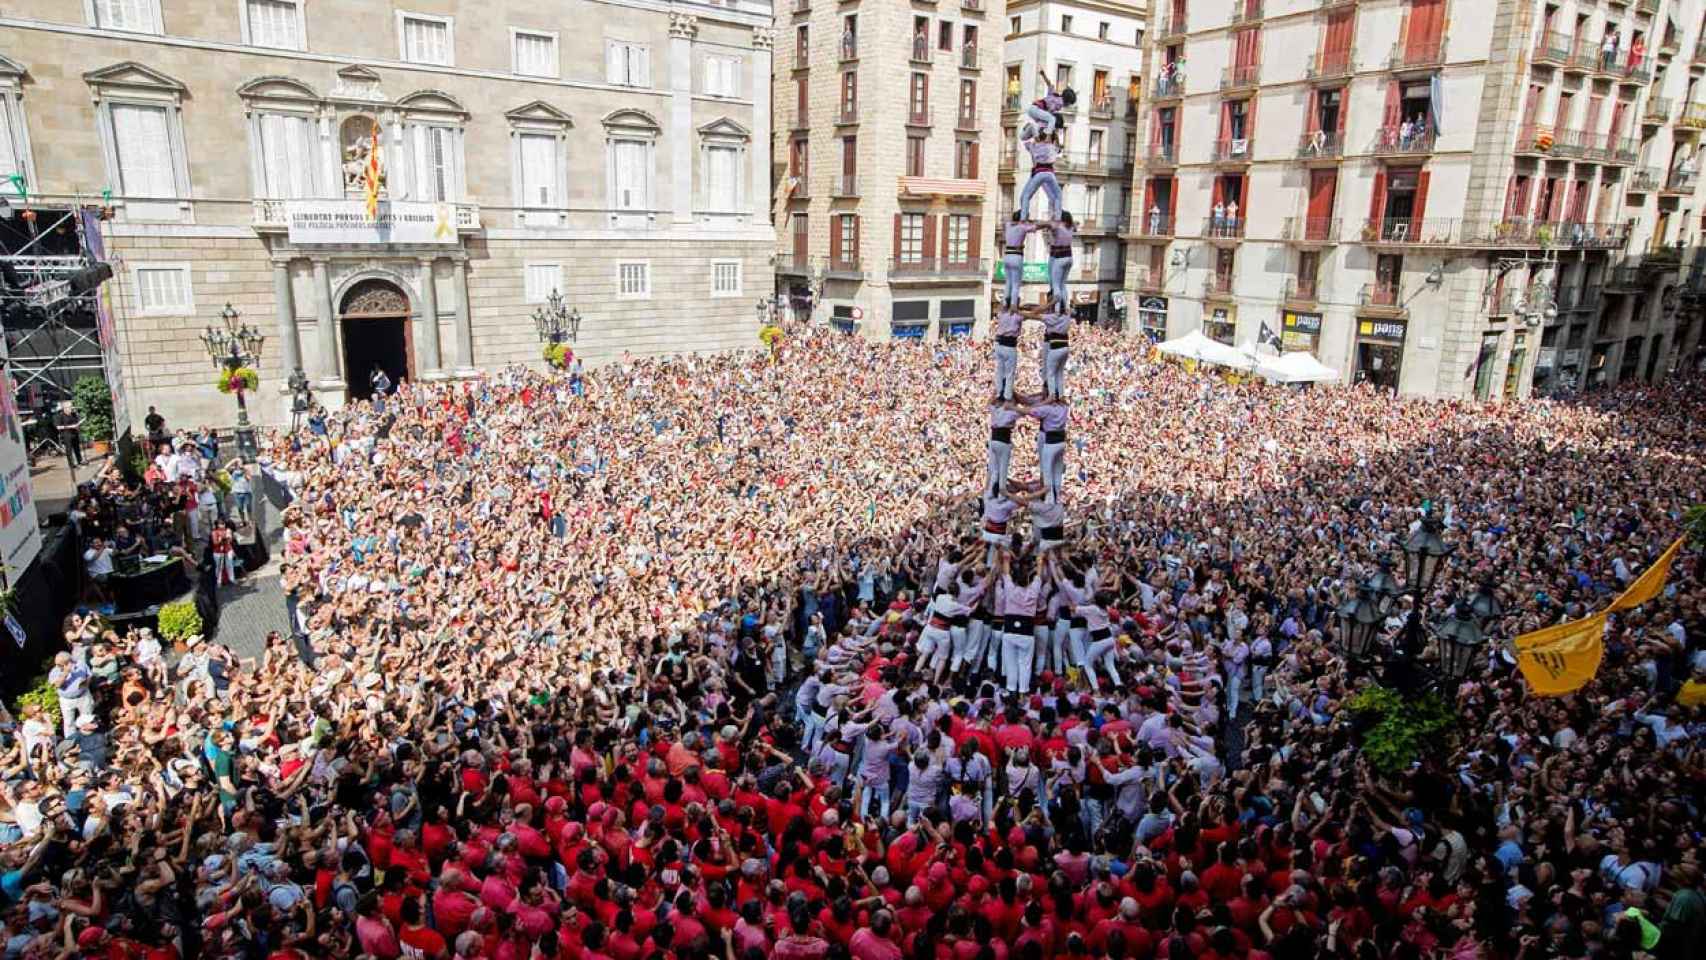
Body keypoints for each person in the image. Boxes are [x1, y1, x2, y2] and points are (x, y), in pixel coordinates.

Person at [1015, 127, 1064, 221]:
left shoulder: (1034, 146)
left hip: (1038, 173)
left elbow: (1025, 140)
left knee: (1025, 196)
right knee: (1057, 196)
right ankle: (1058, 218)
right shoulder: (1052, 148)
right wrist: (1054, 134)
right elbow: (1058, 146)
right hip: (1050, 174)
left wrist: (1028, 130)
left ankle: (1023, 218)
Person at [1001, 213, 1040, 306]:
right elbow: (1037, 226)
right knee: (1015, 285)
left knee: (1008, 283)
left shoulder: (1008, 225)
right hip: (1016, 256)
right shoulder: (1023, 227)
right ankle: (1013, 306)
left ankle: (1004, 304)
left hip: (1007, 255)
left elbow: (1005, 220)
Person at [1046, 213, 1075, 309]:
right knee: (1063, 284)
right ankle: (1065, 307)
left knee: (1055, 285)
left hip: (1058, 258)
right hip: (1069, 258)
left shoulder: (1057, 229)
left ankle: (1057, 309)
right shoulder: (1070, 228)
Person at [54, 400, 82, 470]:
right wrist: (70, 427)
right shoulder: (60, 416)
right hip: (66, 435)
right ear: (64, 408)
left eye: (71, 407)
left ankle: (80, 461)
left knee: (77, 448)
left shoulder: (74, 414)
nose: (71, 408)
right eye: (69, 407)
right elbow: (58, 427)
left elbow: (77, 422)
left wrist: (78, 425)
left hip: (74, 433)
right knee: (69, 450)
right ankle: (71, 465)